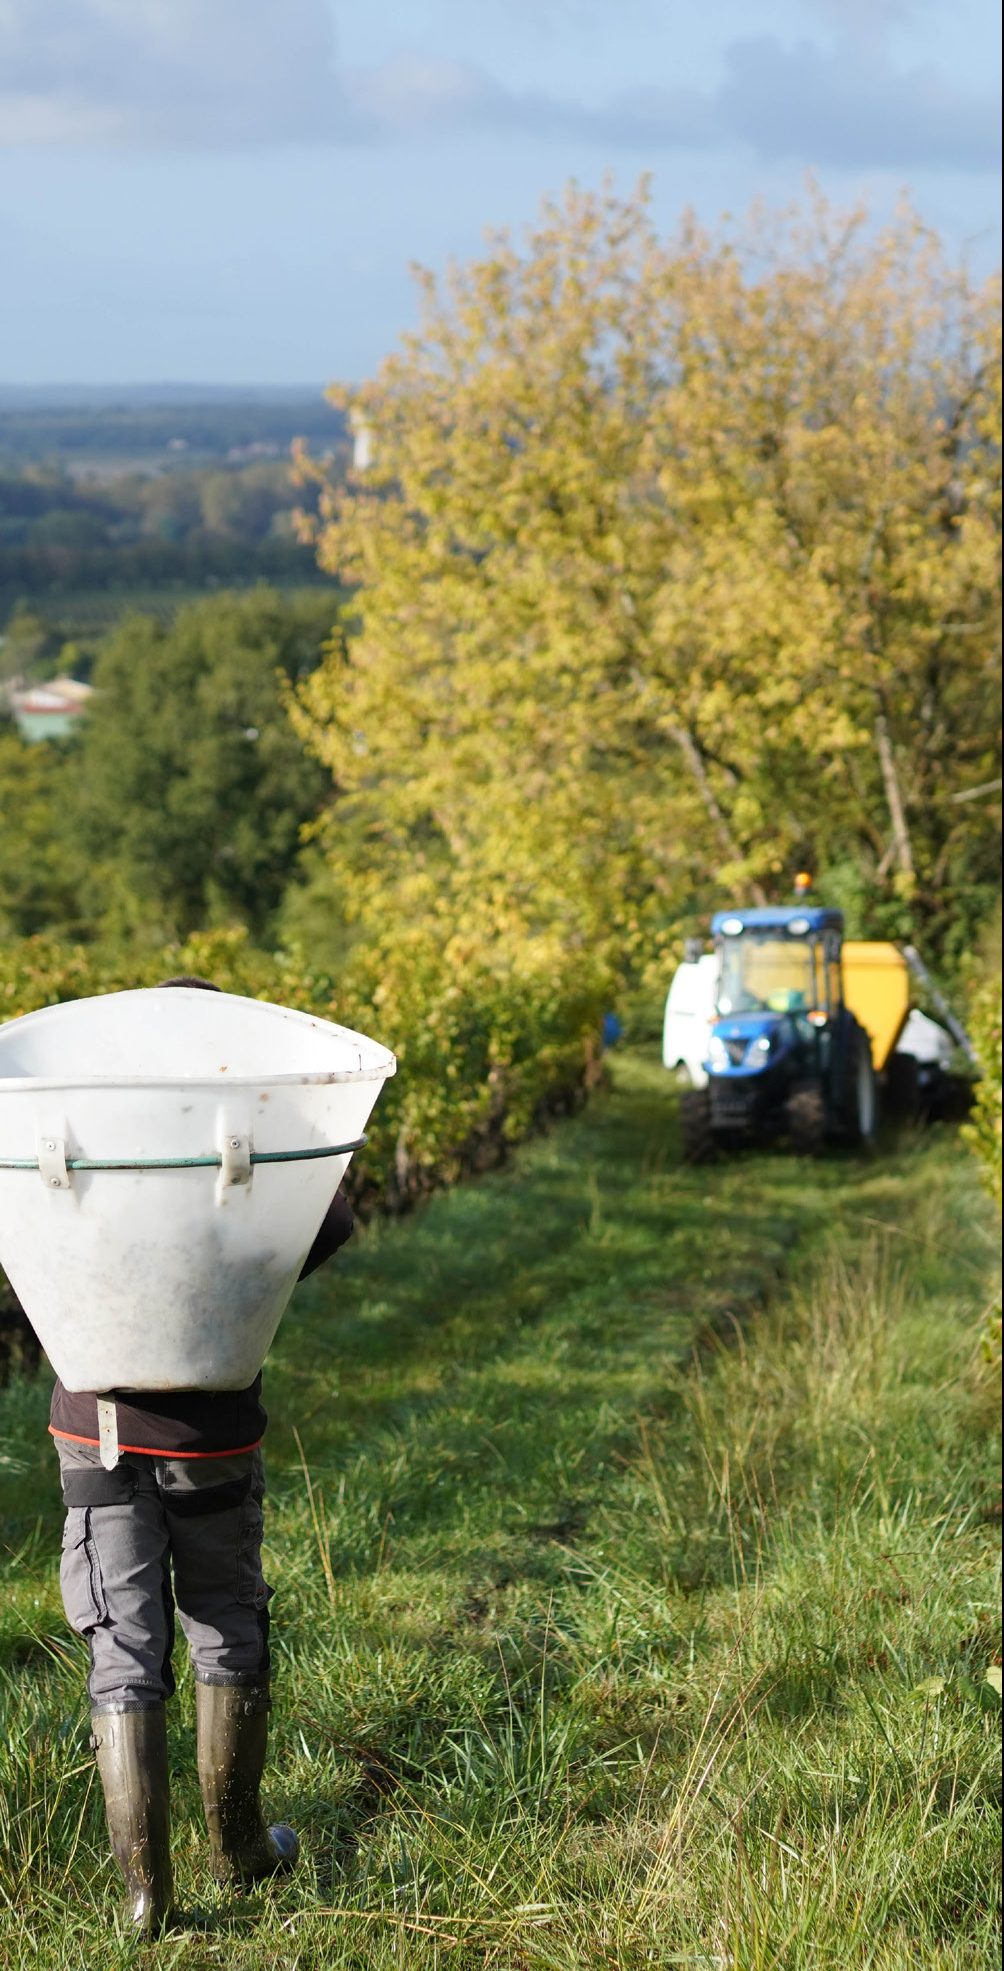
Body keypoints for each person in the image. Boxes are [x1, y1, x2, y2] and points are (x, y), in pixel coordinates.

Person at [49, 977, 355, 1933]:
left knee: (122, 1641)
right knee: (224, 1610)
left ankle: (147, 1893)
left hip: (93, 1425)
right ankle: (239, 1847)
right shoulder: (248, 1124)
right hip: (216, 1425)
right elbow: (333, 1222)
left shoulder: (79, 1116)